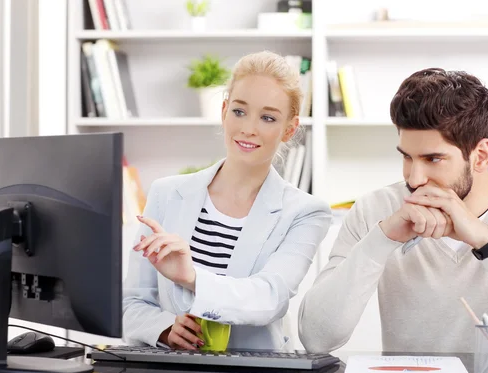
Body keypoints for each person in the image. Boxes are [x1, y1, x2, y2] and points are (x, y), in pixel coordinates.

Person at [298, 68, 488, 354]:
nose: (414, 179)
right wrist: (381, 239)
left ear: (480, 156)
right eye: (407, 158)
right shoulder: (375, 210)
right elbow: (316, 338)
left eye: (433, 159)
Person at [122, 51, 331, 351]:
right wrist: (165, 329)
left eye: (268, 117)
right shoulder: (167, 194)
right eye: (239, 111)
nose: (249, 128)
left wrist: (192, 277)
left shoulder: (306, 213)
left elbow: (269, 298)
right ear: (223, 111)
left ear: (289, 129)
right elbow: (133, 303)